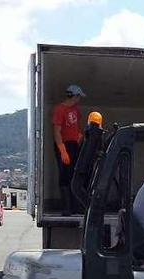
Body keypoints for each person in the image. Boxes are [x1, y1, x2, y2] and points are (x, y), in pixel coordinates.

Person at [52, 84, 86, 216]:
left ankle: (76, 206)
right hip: (63, 145)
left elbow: (77, 127)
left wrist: (79, 138)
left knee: (75, 174)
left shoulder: (75, 110)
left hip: (73, 145)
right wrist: (62, 151)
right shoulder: (59, 110)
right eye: (78, 96)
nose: (79, 99)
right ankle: (67, 207)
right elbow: (56, 132)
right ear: (74, 96)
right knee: (65, 175)